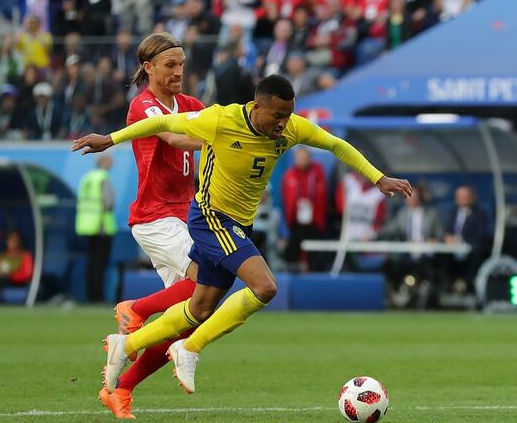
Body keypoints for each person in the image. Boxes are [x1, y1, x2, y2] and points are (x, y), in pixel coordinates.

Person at [72, 74, 410, 396]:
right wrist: (110, 139)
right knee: (265, 287)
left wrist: (378, 178)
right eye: (277, 116)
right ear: (257, 107)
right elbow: (160, 123)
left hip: (238, 224)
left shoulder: (291, 128)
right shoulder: (221, 119)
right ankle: (190, 348)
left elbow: (336, 145)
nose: (283, 124)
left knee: (200, 308)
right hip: (210, 218)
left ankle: (126, 344)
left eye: (287, 116)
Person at [96, 32, 205, 419]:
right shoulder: (142, 105)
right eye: (170, 65)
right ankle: (134, 308)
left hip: (183, 216)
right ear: (149, 67)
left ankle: (120, 390)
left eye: (181, 65)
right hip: (155, 216)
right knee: (206, 279)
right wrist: (219, 138)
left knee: (192, 318)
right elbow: (175, 138)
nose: (178, 72)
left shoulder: (190, 104)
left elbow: (213, 127)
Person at [378, 184, 444, 295]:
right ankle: (395, 292)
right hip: (406, 254)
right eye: (408, 195)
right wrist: (373, 235)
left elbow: (440, 235)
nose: (410, 198)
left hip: (425, 254)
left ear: (420, 197)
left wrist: (434, 240)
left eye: (413, 195)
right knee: (390, 263)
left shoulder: (432, 214)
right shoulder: (402, 214)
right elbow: (390, 229)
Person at [76, 155, 117, 303]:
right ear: (104, 162)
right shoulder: (103, 177)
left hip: (86, 225)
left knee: (92, 262)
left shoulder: (87, 178)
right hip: (101, 226)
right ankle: (98, 297)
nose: (113, 162)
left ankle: (91, 295)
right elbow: (109, 203)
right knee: (100, 263)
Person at [282, 146, 328, 271]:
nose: (302, 160)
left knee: (316, 258)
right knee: (291, 255)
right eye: (300, 157)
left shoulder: (317, 173)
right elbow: (285, 201)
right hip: (295, 223)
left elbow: (322, 198)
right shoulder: (289, 175)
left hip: (314, 222)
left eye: (305, 157)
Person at [443, 186, 489, 292]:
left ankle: (469, 288)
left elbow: (480, 235)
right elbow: (446, 231)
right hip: (452, 250)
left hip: (471, 251)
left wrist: (460, 241)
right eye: (459, 197)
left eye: (464, 197)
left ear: (472, 198)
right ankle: (447, 288)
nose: (461, 199)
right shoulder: (452, 213)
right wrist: (447, 238)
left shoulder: (480, 214)